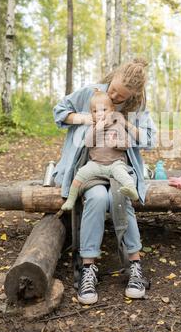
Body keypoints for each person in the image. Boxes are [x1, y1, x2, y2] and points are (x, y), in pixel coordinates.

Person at [53, 58, 157, 305]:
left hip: (121, 169)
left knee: (119, 196)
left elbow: (151, 139)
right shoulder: (91, 94)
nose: (113, 95)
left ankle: (134, 266)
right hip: (89, 166)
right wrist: (86, 120)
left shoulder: (136, 108)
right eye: (112, 88)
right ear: (113, 76)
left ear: (132, 95)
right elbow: (59, 111)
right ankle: (87, 267)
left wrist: (125, 124)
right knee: (99, 197)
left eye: (120, 96)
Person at [61, 90, 139, 212]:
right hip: (96, 164)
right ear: (91, 114)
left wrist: (116, 144)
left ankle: (132, 190)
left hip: (115, 163)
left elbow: (127, 144)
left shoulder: (117, 125)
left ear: (112, 110)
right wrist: (97, 130)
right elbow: (88, 143)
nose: (99, 114)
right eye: (95, 111)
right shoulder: (93, 127)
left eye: (103, 110)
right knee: (80, 175)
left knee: (123, 174)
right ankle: (70, 200)